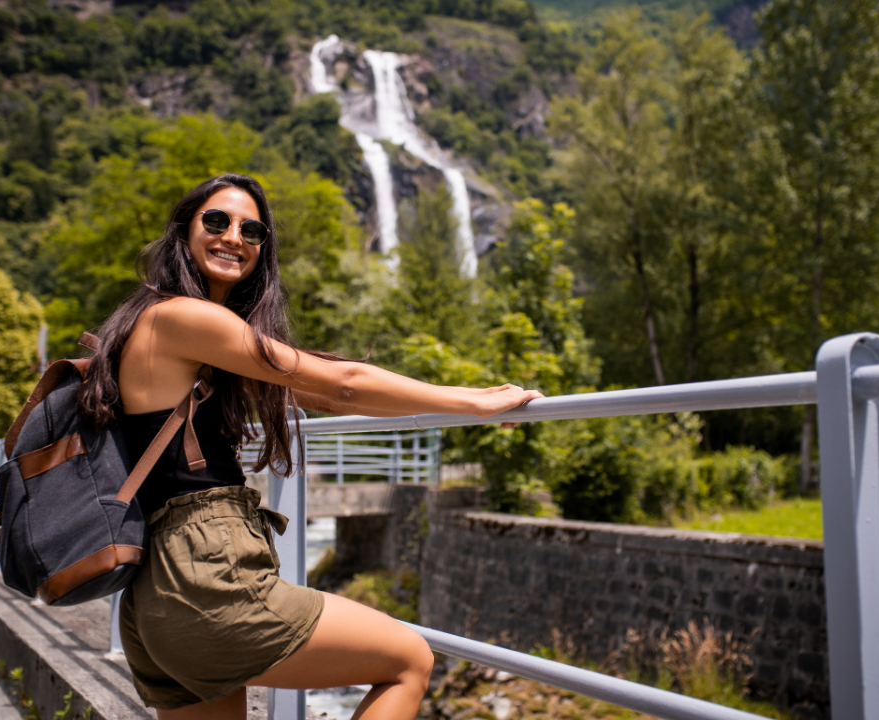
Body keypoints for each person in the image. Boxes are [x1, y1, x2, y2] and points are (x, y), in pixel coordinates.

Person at [77, 173, 542, 720]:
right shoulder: (182, 317)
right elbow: (341, 380)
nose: (234, 236)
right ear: (183, 231)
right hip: (206, 578)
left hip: (154, 598)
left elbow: (328, 395)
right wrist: (476, 402)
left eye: (251, 229)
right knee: (410, 660)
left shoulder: (173, 327)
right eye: (216, 221)